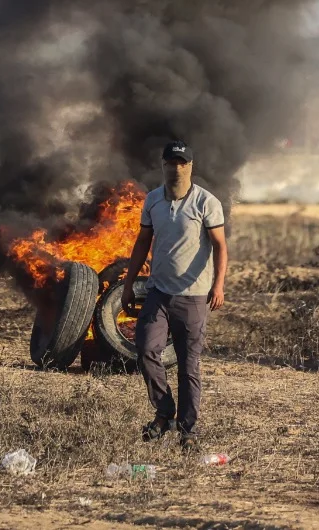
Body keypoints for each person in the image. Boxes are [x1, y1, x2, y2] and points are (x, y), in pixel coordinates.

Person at [121, 140, 227, 449]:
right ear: (163, 165)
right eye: (170, 163)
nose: (176, 168)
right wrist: (129, 284)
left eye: (182, 163)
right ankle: (164, 412)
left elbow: (220, 245)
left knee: (187, 366)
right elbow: (142, 243)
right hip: (158, 293)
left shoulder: (206, 203)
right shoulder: (153, 200)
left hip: (193, 296)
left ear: (190, 166)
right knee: (145, 350)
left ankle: (188, 430)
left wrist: (218, 285)